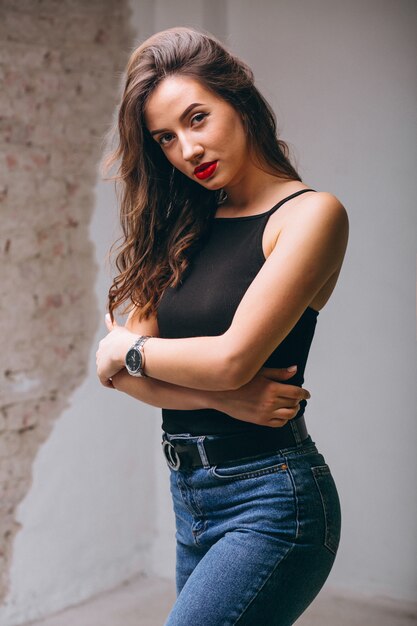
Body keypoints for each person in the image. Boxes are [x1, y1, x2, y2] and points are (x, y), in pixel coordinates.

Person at [96, 26, 348, 626]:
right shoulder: (186, 222)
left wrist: (128, 350)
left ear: (239, 101)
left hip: (273, 499)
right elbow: (119, 376)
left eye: (198, 118)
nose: (188, 149)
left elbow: (227, 360)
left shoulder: (310, 215)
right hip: (190, 497)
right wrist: (228, 402)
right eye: (166, 138)